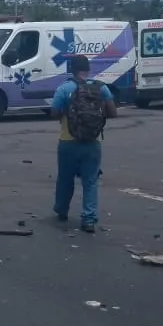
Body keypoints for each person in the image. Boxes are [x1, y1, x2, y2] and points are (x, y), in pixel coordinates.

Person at [50, 54, 117, 233]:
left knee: (65, 178)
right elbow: (113, 113)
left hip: (67, 141)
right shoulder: (101, 88)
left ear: (72, 69)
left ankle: (62, 210)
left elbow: (54, 113)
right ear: (88, 69)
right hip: (92, 142)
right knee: (90, 181)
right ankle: (89, 219)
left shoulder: (64, 88)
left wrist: (69, 110)